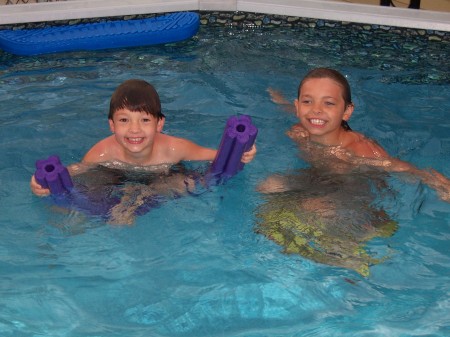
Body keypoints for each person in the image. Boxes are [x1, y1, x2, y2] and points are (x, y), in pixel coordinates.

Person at [256, 67, 450, 276]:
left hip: (354, 195)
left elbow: (399, 166)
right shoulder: (300, 132)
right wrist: (278, 99)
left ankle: (353, 247)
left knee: (313, 207)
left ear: (346, 111)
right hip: (322, 181)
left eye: (328, 103)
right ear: (297, 106)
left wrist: (439, 184)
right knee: (269, 185)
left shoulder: (356, 150)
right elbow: (297, 111)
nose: (316, 110)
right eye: (307, 101)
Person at [30, 79, 256, 223]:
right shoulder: (102, 152)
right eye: (124, 120)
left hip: (160, 178)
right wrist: (43, 184)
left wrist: (243, 153)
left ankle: (132, 205)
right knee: (75, 207)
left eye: (145, 120)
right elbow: (78, 171)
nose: (134, 129)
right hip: (115, 176)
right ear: (112, 125)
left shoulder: (174, 148)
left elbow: (217, 158)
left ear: (159, 124)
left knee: (183, 184)